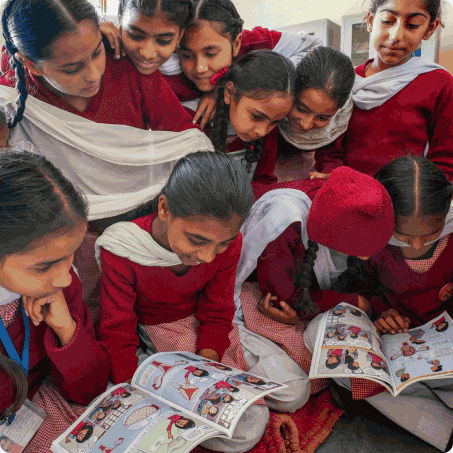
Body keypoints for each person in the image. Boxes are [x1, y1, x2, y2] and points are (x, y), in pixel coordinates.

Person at [0, 0, 212, 307]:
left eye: (96, 52)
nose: (93, 73)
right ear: (30, 65)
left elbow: (188, 144)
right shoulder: (10, 97)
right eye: (72, 68)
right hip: (61, 235)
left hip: (138, 216)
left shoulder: (126, 64)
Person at [96, 152, 268, 453]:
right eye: (197, 240)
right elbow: (117, 329)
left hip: (203, 328)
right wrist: (130, 392)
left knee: (295, 392)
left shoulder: (227, 241)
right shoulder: (122, 248)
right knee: (248, 427)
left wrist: (209, 364)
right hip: (155, 328)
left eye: (223, 244)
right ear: (165, 208)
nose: (208, 257)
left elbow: (217, 308)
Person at [305, 156, 453, 451]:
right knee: (345, 370)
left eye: (431, 235)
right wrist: (381, 312)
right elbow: (362, 286)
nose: (416, 245)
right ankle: (445, 433)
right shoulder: (371, 241)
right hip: (396, 346)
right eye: (403, 235)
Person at [234, 167, 394, 402]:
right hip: (259, 294)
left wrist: (374, 305)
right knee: (306, 374)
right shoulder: (283, 220)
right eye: (360, 252)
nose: (365, 258)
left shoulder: (351, 204)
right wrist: (352, 302)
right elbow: (282, 298)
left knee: (327, 363)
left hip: (302, 303)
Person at [0, 151, 111, 453]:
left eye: (71, 255)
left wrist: (67, 329)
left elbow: (91, 387)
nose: (65, 278)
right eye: (45, 265)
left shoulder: (59, 288)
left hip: (36, 406)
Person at [314, 0, 453, 181]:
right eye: (387, 21)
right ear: (371, 21)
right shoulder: (346, 80)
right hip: (346, 191)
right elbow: (329, 151)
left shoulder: (439, 83)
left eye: (413, 25)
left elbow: (445, 160)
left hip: (405, 200)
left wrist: (422, 199)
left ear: (429, 29)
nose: (396, 36)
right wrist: (340, 182)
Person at [161, 0, 321, 127]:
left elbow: (315, 47)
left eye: (211, 54)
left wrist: (228, 85)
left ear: (236, 44)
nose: (199, 68)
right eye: (187, 56)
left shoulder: (255, 43)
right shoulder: (164, 68)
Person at [210, 50, 295, 194]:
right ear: (229, 93)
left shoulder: (269, 134)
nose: (262, 132)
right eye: (256, 116)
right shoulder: (198, 122)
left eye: (275, 122)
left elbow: (264, 180)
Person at [276, 47, 355, 181]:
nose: (306, 126)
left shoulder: (340, 121)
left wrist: (332, 176)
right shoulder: (268, 113)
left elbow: (332, 160)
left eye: (323, 118)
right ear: (291, 92)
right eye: (301, 109)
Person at [100, 0, 191, 67]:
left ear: (180, 35)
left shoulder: (190, 73)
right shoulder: (104, 50)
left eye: (163, 41)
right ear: (120, 21)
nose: (147, 54)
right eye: (136, 36)